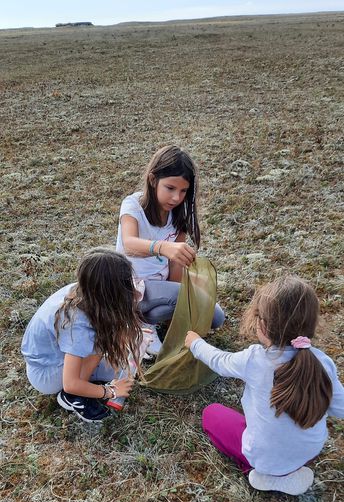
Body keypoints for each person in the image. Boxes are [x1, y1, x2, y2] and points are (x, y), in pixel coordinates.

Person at [185, 275, 344, 495]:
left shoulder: (254, 360)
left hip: (263, 457)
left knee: (211, 413)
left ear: (262, 325)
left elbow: (219, 361)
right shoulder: (322, 362)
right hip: (309, 452)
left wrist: (195, 343)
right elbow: (340, 407)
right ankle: (286, 470)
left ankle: (262, 474)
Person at [116, 144, 225, 355]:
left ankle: (142, 322)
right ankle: (134, 324)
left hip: (158, 288)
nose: (176, 198)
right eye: (170, 188)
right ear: (153, 179)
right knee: (187, 301)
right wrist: (162, 247)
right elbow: (128, 244)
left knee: (216, 317)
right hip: (130, 286)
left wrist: (181, 297)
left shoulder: (178, 214)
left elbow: (175, 267)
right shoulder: (133, 205)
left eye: (183, 191)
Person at [21, 247, 145, 422]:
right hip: (45, 373)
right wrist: (110, 391)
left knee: (119, 366)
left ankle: (85, 385)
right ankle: (70, 398)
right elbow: (71, 383)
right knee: (106, 354)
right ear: (109, 291)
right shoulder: (77, 322)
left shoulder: (85, 291)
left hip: (55, 358)